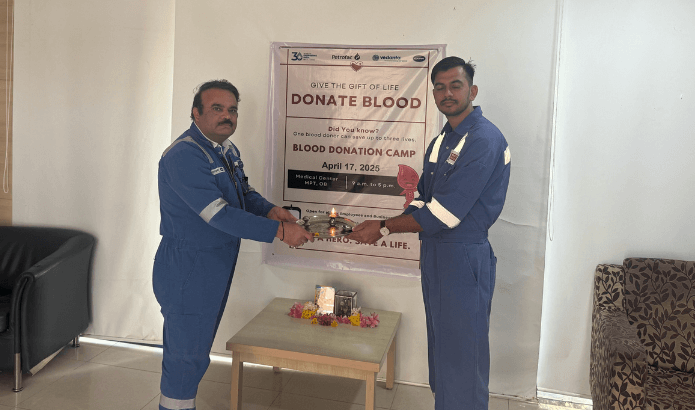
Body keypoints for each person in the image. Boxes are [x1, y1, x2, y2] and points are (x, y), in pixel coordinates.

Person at [347, 57, 511, 410]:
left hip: (463, 256)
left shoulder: (484, 140)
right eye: (440, 87)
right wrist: (380, 225)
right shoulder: (443, 139)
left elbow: (445, 213)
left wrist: (384, 227)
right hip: (436, 253)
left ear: (472, 91)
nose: (447, 93)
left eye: (455, 85)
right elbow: (423, 198)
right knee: (442, 348)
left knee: (463, 354)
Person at [153, 79, 313, 410]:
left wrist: (269, 210)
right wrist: (279, 231)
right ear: (196, 113)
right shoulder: (184, 155)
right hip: (188, 265)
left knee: (196, 350)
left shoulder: (225, 150)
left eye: (232, 110)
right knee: (186, 356)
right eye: (217, 109)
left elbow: (242, 194)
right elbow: (218, 214)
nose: (227, 116)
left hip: (214, 262)